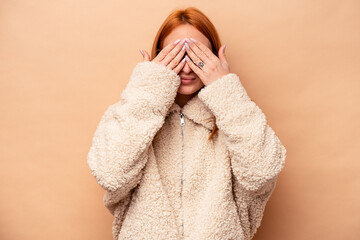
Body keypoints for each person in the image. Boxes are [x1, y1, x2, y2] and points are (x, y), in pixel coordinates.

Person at [86, 7, 287, 240]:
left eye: (197, 54)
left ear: (214, 58)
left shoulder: (235, 116)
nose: (188, 67)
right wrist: (147, 90)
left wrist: (226, 90)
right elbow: (111, 175)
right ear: (160, 55)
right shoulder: (131, 113)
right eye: (177, 54)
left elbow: (262, 173)